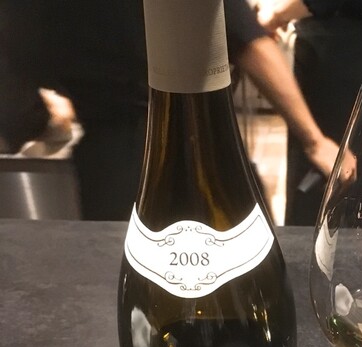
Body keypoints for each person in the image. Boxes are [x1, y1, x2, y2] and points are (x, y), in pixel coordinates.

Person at [0, 0, 339, 221]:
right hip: (196, 142)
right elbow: (247, 41)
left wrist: (37, 114)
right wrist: (314, 141)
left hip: (106, 164)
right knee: (242, 274)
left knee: (126, 281)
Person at [258, 0, 362, 225]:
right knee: (349, 186)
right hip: (348, 51)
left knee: (332, 187)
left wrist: (278, 14)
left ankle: (338, 242)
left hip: (343, 58)